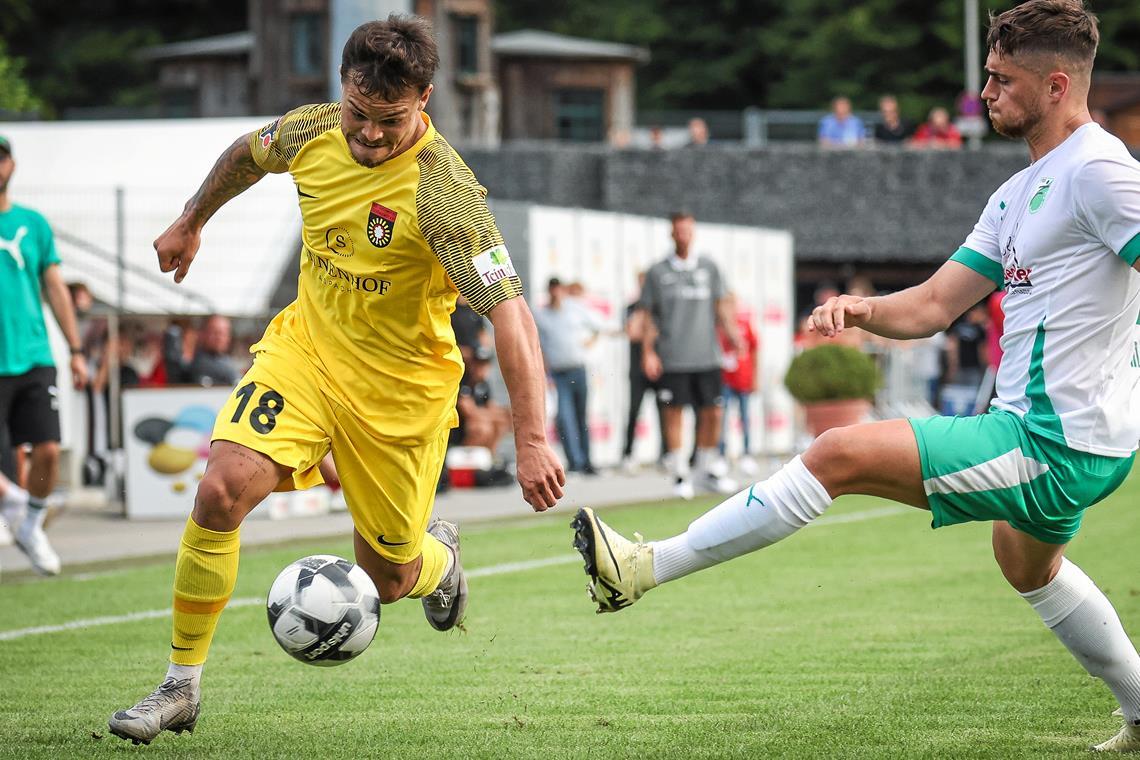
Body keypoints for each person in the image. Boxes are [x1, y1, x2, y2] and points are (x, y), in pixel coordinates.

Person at [573, 2, 1140, 751]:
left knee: (837, 452)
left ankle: (641, 568)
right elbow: (936, 303)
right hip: (1071, 436)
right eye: (987, 76)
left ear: (1058, 85)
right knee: (1023, 560)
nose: (985, 93)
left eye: (1002, 80)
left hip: (1055, 438)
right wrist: (862, 308)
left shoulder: (1100, 171)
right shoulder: (1015, 193)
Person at [108, 15, 564, 745]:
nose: (370, 134)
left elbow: (511, 316)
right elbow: (246, 155)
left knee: (387, 575)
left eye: (390, 120)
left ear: (425, 100)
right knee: (220, 487)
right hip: (307, 355)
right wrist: (193, 218)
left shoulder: (446, 195)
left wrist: (533, 439)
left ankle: (439, 562)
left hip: (399, 396)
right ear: (341, 89)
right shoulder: (313, 129)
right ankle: (180, 687)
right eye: (359, 112)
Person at [0, 134, 88, 577]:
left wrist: (74, 350)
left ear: (11, 165)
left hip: (33, 353)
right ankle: (15, 505)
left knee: (49, 450)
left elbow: (55, 287)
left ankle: (29, 522)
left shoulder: (32, 223)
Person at [638, 212, 740, 499]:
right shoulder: (658, 272)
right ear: (672, 234)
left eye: (688, 231)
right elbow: (648, 317)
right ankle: (680, 473)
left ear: (693, 233)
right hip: (673, 356)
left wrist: (734, 336)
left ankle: (707, 468)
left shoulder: (709, 267)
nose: (683, 236)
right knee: (674, 414)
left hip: (707, 355)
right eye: (678, 231)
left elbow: (721, 306)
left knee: (713, 412)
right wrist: (648, 353)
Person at [533, 277, 603, 475]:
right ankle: (575, 461)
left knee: (581, 416)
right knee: (565, 417)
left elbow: (597, 326)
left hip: (578, 369)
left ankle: (588, 461)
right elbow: (540, 345)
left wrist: (588, 343)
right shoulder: (542, 315)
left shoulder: (574, 309)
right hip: (558, 373)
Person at [620, 272, 663, 473]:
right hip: (637, 369)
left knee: (665, 410)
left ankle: (666, 454)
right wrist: (641, 310)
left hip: (659, 368)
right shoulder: (631, 308)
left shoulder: (661, 308)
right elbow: (633, 333)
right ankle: (628, 454)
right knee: (634, 412)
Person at [717, 292, 760, 476]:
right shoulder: (719, 326)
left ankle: (747, 454)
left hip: (742, 378)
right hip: (725, 379)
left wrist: (755, 378)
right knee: (723, 419)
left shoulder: (744, 324)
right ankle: (721, 455)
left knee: (744, 417)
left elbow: (755, 349)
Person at [163, 314, 239, 387]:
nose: (219, 337)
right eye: (214, 332)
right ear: (202, 334)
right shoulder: (191, 367)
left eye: (223, 333)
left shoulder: (231, 365)